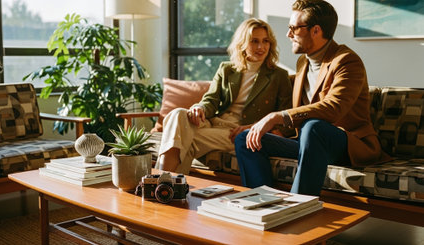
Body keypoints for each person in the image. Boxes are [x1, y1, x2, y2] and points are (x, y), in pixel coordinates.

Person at [235, 0, 390, 196]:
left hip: (347, 145)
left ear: (315, 31)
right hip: (307, 144)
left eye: (294, 28)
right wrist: (257, 124)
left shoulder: (347, 61)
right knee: (245, 139)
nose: (288, 34)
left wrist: (275, 116)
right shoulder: (303, 62)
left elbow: (333, 108)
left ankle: (295, 206)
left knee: (313, 126)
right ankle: (263, 202)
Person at [156, 18, 292, 175]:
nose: (261, 47)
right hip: (214, 123)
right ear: (243, 43)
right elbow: (211, 100)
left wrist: (254, 127)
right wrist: (199, 107)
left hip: (236, 132)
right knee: (177, 113)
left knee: (185, 141)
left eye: (265, 41)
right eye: (254, 41)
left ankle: (161, 182)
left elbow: (284, 116)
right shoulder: (227, 69)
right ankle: (166, 184)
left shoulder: (279, 75)